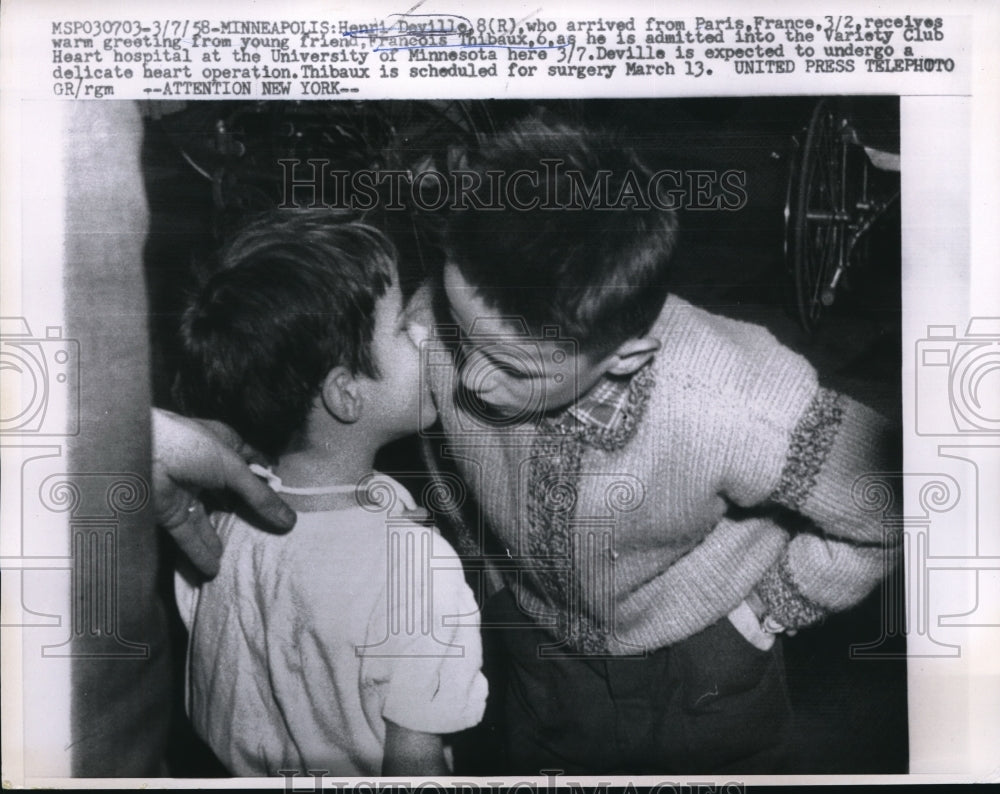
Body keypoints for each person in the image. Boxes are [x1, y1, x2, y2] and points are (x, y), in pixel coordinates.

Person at [410, 117, 901, 773]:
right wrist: (490, 571)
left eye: (511, 367)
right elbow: (429, 433)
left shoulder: (736, 403)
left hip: (697, 662)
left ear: (626, 356)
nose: (468, 379)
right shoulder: (458, 312)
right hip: (536, 648)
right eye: (459, 331)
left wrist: (762, 614)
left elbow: (891, 502)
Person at [170, 210, 487, 776]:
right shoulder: (417, 573)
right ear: (346, 395)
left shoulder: (214, 517)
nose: (426, 330)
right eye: (402, 329)